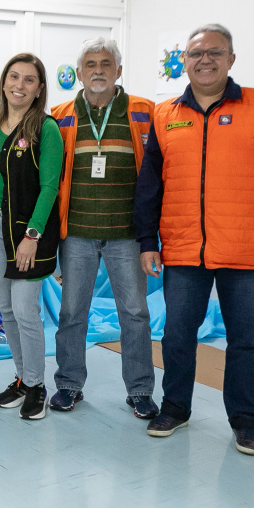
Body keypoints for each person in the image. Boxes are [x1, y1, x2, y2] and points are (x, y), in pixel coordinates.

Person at [135, 24, 254, 455]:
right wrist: (146, 240)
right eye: (196, 54)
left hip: (245, 249)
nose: (205, 60)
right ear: (185, 61)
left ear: (231, 59)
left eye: (215, 52)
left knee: (245, 341)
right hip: (182, 249)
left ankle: (245, 421)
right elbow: (150, 186)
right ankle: (175, 407)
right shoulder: (166, 115)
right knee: (177, 335)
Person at [49, 38, 158, 418]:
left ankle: (141, 390)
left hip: (127, 235)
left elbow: (160, 171)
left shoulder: (146, 112)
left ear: (119, 70)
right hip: (76, 232)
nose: (98, 70)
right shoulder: (59, 114)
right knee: (72, 312)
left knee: (135, 313)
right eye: (90, 64)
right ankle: (68, 384)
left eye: (106, 63)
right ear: (79, 73)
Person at [0, 53, 63, 420]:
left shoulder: (45, 128)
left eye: (29, 80)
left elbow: (50, 188)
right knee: (7, 310)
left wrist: (32, 235)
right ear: (3, 82)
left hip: (28, 230)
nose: (19, 85)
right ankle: (22, 377)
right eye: (14, 77)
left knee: (27, 310)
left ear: (39, 89)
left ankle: (37, 384)